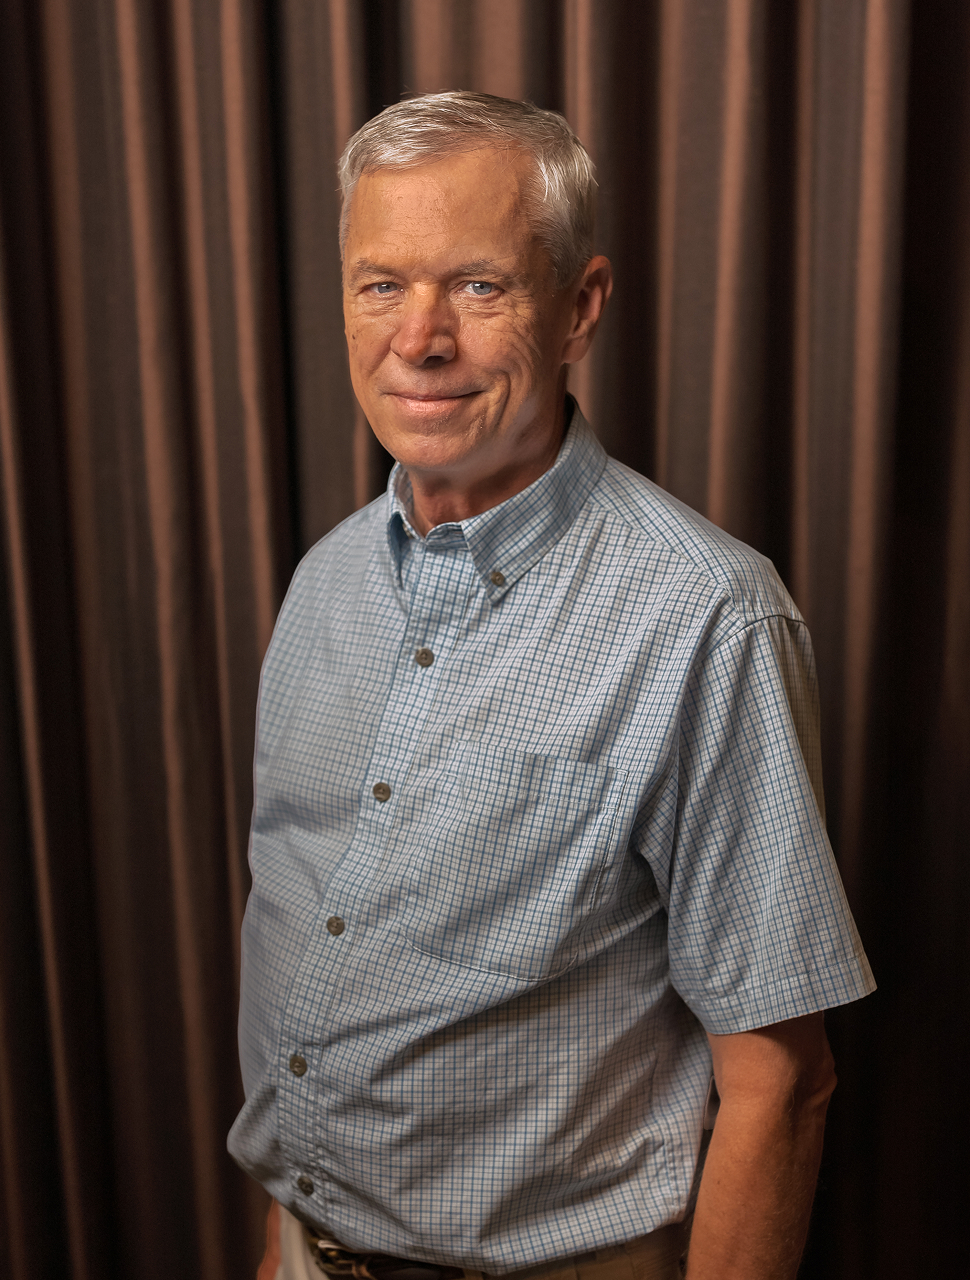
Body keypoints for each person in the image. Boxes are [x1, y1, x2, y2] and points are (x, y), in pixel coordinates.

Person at [229, 92, 875, 1280]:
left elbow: (781, 1081)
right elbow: (300, 949)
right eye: (381, 284)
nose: (418, 338)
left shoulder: (705, 616)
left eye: (478, 286)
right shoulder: (323, 581)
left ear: (579, 306)